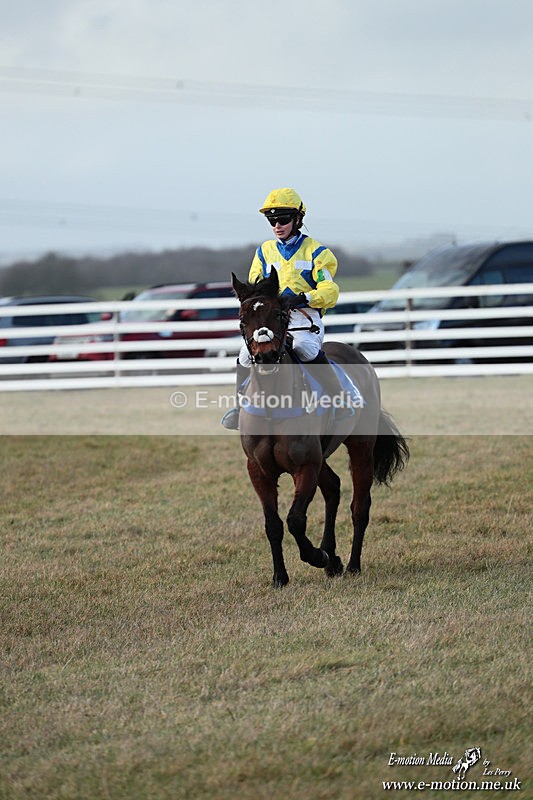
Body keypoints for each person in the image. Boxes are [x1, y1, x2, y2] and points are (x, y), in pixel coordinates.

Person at [221, 187, 349, 430]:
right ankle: (240, 407)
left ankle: (339, 401)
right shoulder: (263, 252)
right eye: (272, 220)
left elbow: (330, 291)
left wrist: (303, 297)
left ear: (298, 219)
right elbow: (255, 288)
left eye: (283, 219)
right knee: (245, 354)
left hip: (304, 318)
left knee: (303, 348)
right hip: (270, 319)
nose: (277, 225)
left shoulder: (318, 252)